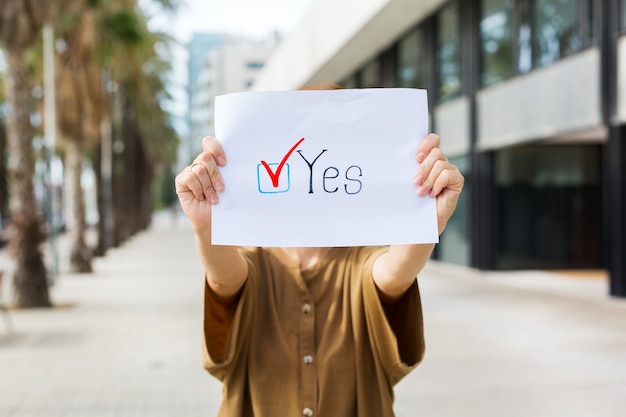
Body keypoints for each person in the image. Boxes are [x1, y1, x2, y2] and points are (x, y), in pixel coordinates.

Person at [176, 131, 464, 417]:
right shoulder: (255, 259)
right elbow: (225, 278)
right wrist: (205, 225)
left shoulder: (360, 260)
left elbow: (393, 275)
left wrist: (427, 220)